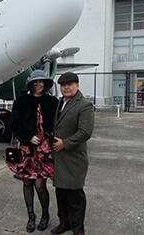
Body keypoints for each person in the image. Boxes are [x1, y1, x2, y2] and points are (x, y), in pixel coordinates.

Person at [7, 69, 59, 233]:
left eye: (41, 82)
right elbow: (15, 124)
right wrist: (29, 136)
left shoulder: (52, 102)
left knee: (40, 185)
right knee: (27, 182)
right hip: (26, 146)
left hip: (44, 148)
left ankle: (45, 215)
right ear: (30, 84)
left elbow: (58, 123)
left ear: (46, 84)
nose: (38, 85)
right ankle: (31, 217)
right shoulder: (21, 101)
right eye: (35, 83)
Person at [51, 72, 94, 235]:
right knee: (61, 193)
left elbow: (85, 132)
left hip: (74, 157)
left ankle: (78, 228)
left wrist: (65, 143)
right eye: (63, 85)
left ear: (77, 85)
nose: (66, 87)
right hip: (59, 157)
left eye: (70, 84)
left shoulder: (84, 105)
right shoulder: (61, 102)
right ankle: (64, 223)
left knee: (75, 195)